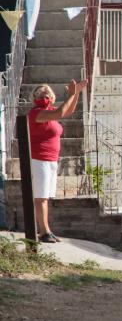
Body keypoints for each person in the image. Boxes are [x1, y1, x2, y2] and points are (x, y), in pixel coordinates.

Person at [27, 80, 87, 243]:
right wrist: (71, 94)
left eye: (47, 92)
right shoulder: (36, 113)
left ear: (52, 97)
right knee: (41, 197)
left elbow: (68, 111)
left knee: (46, 195)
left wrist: (76, 95)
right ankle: (44, 231)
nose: (44, 94)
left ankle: (47, 231)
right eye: (40, 92)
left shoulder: (50, 111)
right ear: (34, 97)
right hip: (39, 159)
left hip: (51, 160)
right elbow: (61, 113)